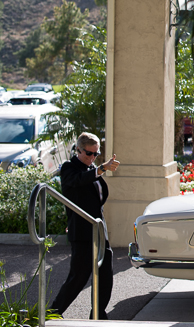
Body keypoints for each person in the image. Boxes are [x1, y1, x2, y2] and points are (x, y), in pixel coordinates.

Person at [50, 132, 119, 319]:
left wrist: (98, 169)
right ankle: (53, 312)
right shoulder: (69, 168)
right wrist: (100, 170)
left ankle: (98, 314)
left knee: (105, 274)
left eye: (96, 154)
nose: (92, 158)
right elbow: (79, 181)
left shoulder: (93, 168)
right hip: (81, 231)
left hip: (98, 228)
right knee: (78, 277)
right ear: (78, 150)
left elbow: (97, 196)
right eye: (89, 153)